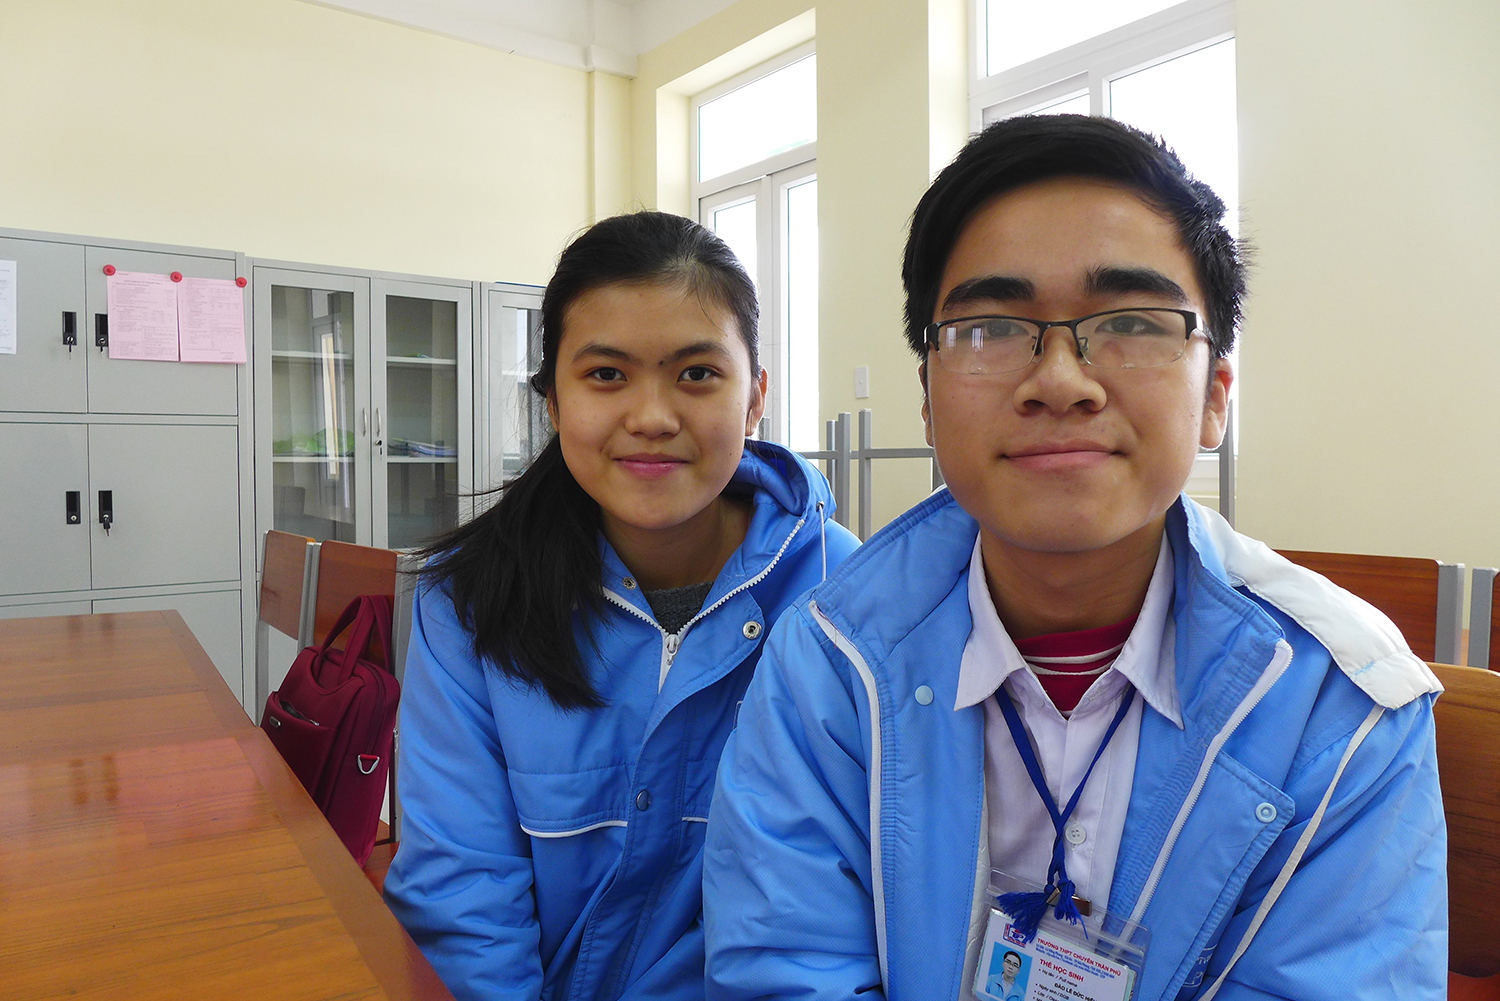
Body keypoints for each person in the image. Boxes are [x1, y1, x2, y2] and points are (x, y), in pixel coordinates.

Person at [703, 116, 1446, 1001]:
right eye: (991, 327)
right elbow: (784, 974)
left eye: (1131, 320)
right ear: (929, 401)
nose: (1060, 378)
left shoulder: (1342, 703)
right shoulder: (827, 667)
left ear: (1214, 397)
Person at [384, 211, 859, 1001]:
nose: (651, 416)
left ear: (755, 398)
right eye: (606, 375)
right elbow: (460, 896)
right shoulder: (470, 600)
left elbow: (834, 912)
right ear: (552, 401)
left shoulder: (843, 595)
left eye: (697, 374)